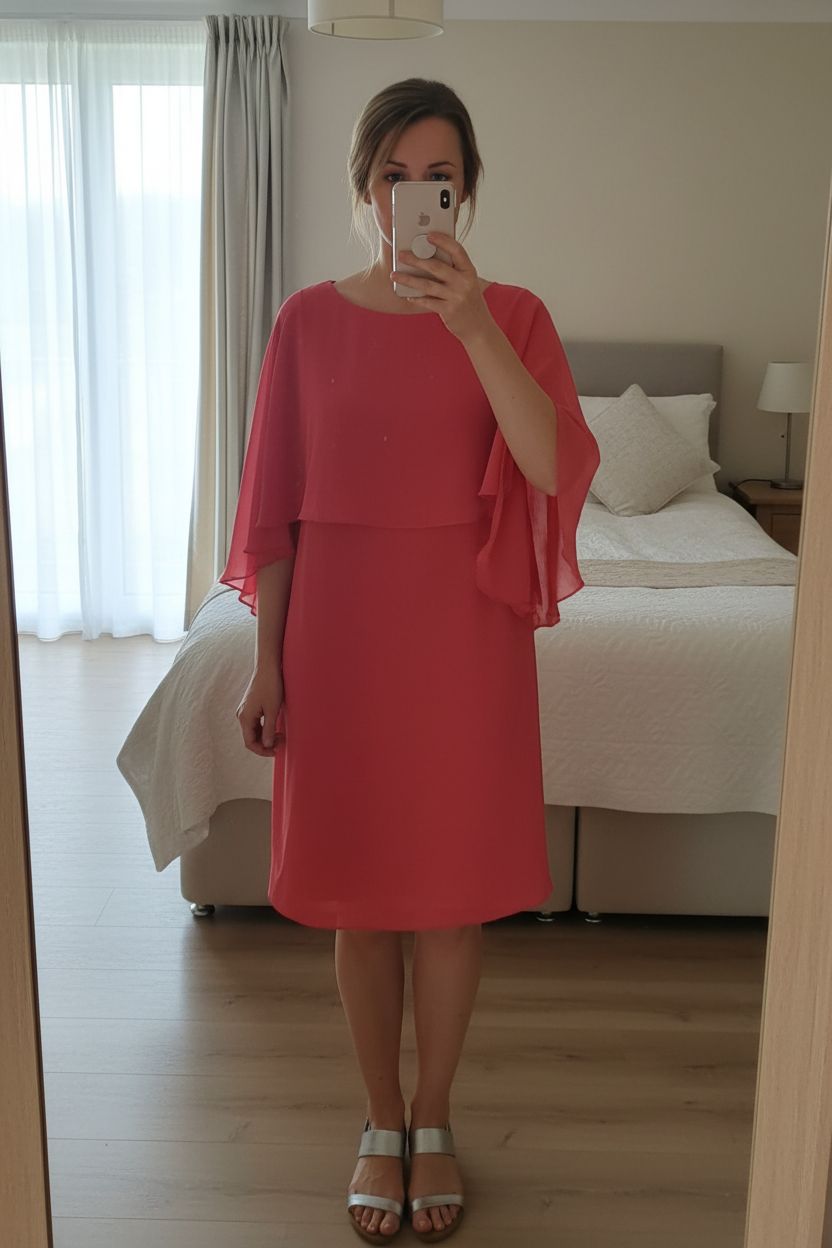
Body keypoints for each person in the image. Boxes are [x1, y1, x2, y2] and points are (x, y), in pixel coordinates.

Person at [218, 77, 600, 1245]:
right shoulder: (302, 323)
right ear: (365, 187)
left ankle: (431, 1117)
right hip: (338, 635)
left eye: (436, 177)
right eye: (392, 175)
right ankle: (377, 1120)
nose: (413, 197)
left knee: (445, 898)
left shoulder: (516, 314)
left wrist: (471, 322)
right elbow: (275, 509)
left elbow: (548, 465)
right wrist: (266, 663)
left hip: (461, 641)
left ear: (465, 191)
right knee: (361, 893)